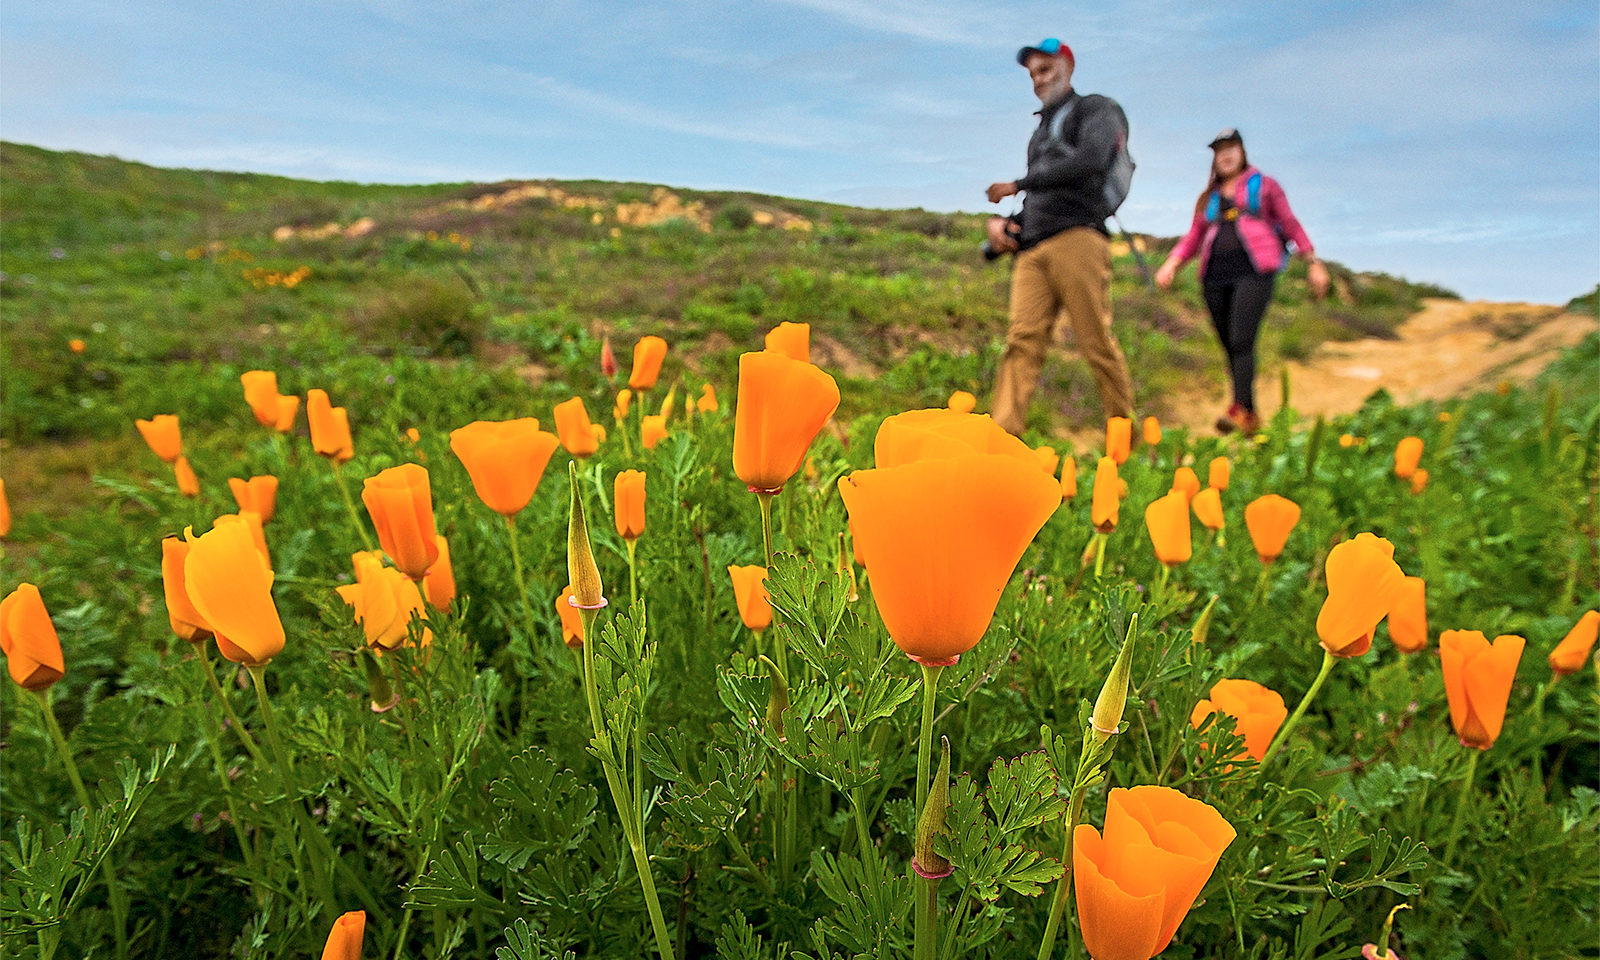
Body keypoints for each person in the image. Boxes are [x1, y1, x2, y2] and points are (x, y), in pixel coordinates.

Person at [987, 38, 1135, 436]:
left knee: (1094, 341)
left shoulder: (1096, 109)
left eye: (1046, 69)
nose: (1038, 79)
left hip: (1078, 239)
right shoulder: (1038, 136)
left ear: (1068, 66)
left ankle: (1126, 442)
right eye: (1034, 73)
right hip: (1032, 248)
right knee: (1021, 341)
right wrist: (1010, 224)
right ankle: (1000, 443)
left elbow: (1092, 159)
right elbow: (1043, 193)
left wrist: (1018, 183)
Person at [1155, 129, 1329, 434]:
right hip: (1214, 275)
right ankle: (1248, 413)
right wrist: (1172, 263)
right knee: (1228, 343)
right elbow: (1194, 236)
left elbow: (1288, 223)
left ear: (1242, 152)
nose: (1225, 155)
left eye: (1230, 148)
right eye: (1219, 150)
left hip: (1254, 270)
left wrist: (1312, 261)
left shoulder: (1264, 186)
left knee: (1241, 338)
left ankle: (1241, 409)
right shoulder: (1209, 198)